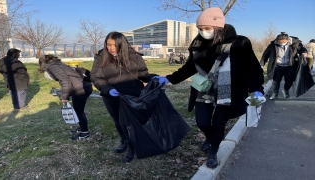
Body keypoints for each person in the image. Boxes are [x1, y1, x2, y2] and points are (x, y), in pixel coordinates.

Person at [153, 7, 264, 169]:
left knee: (219, 122)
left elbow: (251, 68)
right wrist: (169, 78)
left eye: (207, 28)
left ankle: (213, 151)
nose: (203, 32)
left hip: (229, 91)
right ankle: (210, 137)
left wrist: (256, 89)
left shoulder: (239, 43)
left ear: (219, 27)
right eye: (200, 29)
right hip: (205, 89)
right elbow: (189, 67)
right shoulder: (198, 44)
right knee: (202, 122)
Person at [90, 31, 159, 162]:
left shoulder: (134, 56)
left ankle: (132, 146)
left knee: (128, 122)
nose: (111, 48)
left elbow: (142, 74)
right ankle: (125, 141)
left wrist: (152, 77)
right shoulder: (101, 57)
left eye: (115, 45)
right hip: (111, 95)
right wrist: (107, 89)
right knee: (117, 121)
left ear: (122, 44)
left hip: (132, 95)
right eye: (108, 44)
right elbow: (96, 77)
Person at [38, 55, 93, 140]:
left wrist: (64, 97)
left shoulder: (53, 68)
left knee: (79, 111)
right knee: (77, 110)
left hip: (80, 89)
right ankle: (82, 128)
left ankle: (85, 133)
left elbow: (65, 81)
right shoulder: (59, 65)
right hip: (84, 86)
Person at [260, 32, 308, 99]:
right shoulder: (273, 44)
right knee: (276, 80)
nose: (281, 44)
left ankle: (286, 90)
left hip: (290, 65)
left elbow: (302, 49)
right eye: (279, 42)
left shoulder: (295, 43)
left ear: (287, 40)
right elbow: (265, 55)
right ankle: (275, 93)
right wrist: (262, 64)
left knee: (289, 80)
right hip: (277, 66)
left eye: (283, 43)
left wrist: (304, 52)